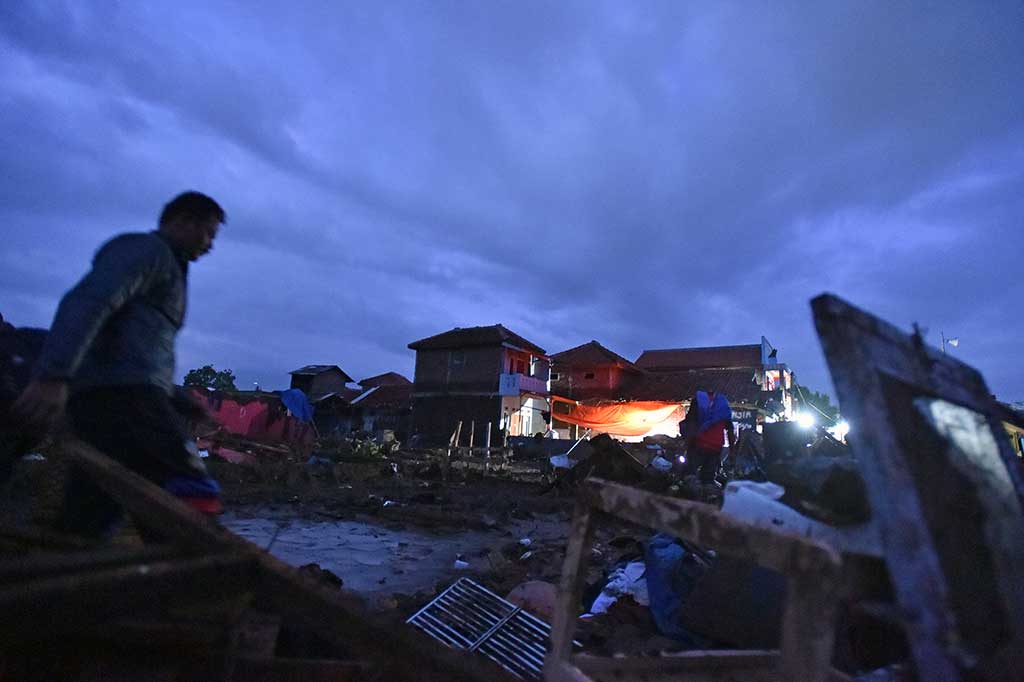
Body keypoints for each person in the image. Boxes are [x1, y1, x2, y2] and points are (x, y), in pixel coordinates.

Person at [12, 191, 226, 538]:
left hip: (113, 397)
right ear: (183, 221)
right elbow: (89, 301)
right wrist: (53, 376)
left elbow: (138, 353)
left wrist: (179, 398)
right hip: (123, 398)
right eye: (209, 233)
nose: (211, 244)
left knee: (95, 504)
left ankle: (70, 571)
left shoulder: (170, 266)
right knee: (190, 488)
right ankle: (197, 579)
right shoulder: (146, 251)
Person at [683, 389, 737, 485]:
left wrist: (687, 444)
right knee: (708, 479)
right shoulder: (723, 403)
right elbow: (730, 429)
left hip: (698, 445)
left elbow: (691, 424)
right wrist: (732, 451)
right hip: (715, 447)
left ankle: (690, 496)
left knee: (690, 476)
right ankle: (706, 496)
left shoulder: (698, 402)